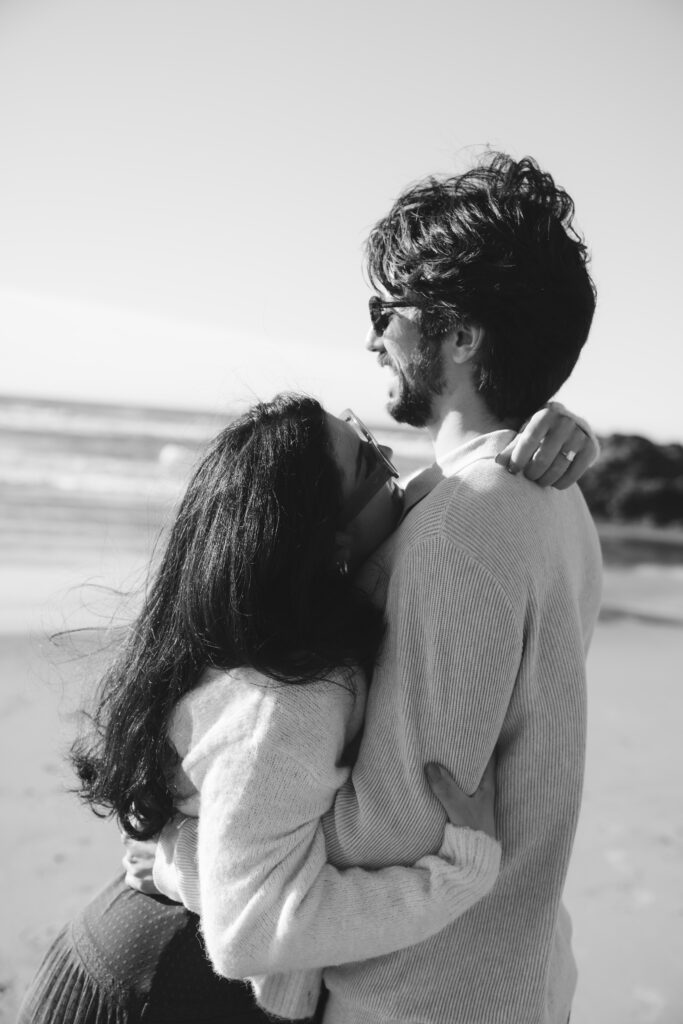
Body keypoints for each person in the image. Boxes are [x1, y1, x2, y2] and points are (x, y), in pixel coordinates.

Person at [151, 152, 603, 1024]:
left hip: (423, 993)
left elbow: (402, 822)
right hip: (497, 966)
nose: (370, 338)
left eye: (384, 312)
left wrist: (191, 853)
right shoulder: (537, 487)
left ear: (461, 335)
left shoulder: (469, 521)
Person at [18, 392, 521, 1024]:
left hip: (137, 952)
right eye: (369, 460)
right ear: (329, 539)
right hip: (160, 989)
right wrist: (457, 876)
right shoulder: (288, 699)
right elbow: (250, 931)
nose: (391, 454)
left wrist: (542, 434)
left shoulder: (244, 630)